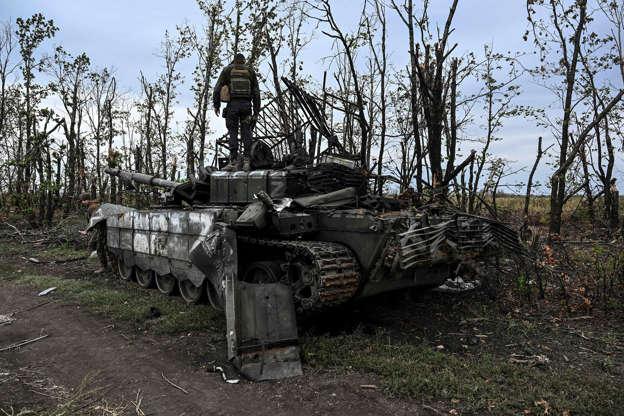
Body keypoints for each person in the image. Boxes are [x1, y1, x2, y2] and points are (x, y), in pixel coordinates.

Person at [213, 53, 261, 171]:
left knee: (233, 132)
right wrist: (256, 111)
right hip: (246, 107)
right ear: (243, 61)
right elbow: (256, 92)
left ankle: (233, 161)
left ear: (234, 61)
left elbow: (217, 88)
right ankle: (246, 161)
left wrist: (216, 105)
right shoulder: (250, 71)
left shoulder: (227, 70)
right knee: (247, 132)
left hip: (232, 107)